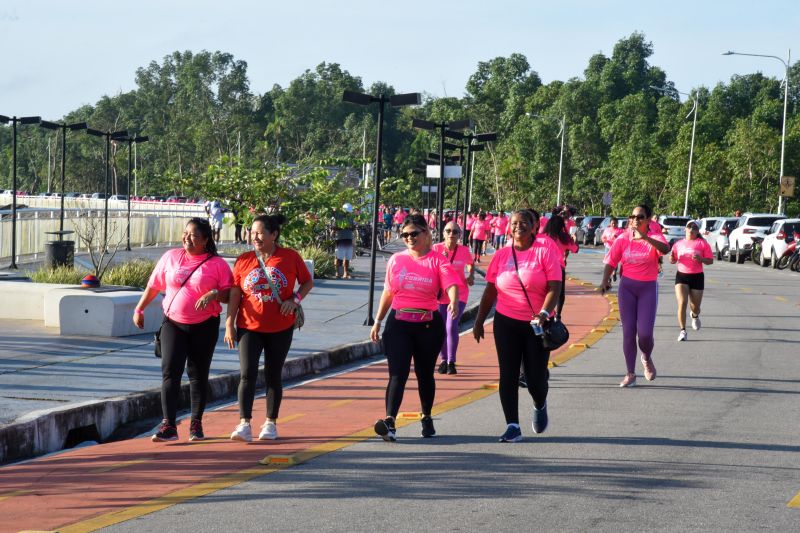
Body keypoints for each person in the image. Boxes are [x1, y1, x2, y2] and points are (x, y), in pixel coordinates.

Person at [133, 218, 233, 442]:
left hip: (204, 325)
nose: (187, 238)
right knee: (170, 371)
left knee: (198, 374)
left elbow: (229, 295)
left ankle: (196, 424)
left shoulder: (217, 264)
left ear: (205, 240)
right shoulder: (171, 257)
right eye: (185, 233)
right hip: (173, 323)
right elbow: (154, 285)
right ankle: (169, 425)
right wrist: (139, 309)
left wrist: (214, 294)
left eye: (194, 235)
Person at [473, 209, 562, 442]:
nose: (518, 226)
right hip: (506, 322)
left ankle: (539, 402)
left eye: (523, 222)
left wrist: (544, 313)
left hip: (537, 325)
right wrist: (479, 320)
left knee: (535, 379)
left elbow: (555, 287)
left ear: (534, 227)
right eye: (514, 223)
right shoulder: (501, 255)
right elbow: (490, 290)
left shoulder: (544, 252)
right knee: (508, 374)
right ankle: (512, 425)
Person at [369, 214, 460, 441]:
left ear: (426, 233)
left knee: (424, 374)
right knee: (397, 374)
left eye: (414, 234)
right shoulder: (396, 260)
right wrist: (378, 321)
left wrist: (454, 301)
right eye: (405, 235)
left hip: (428, 326)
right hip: (398, 324)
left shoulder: (438, 260)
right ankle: (390, 421)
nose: (409, 238)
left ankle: (426, 416)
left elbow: (451, 284)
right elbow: (388, 292)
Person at [225, 214, 314, 442]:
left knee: (273, 375)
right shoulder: (244, 260)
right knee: (247, 374)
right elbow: (235, 293)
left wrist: (294, 300)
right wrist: (229, 323)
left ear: (274, 235)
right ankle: (244, 424)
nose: (254, 237)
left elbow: (307, 282)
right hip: (248, 326)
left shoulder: (290, 257)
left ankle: (270, 423)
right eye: (252, 232)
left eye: (260, 233)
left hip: (280, 327)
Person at [601, 204, 670, 387]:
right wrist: (604, 281)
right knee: (628, 332)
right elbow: (611, 261)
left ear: (648, 220)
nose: (636, 220)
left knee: (645, 335)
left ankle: (646, 357)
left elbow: (665, 249)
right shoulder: (623, 239)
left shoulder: (655, 236)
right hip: (627, 289)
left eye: (640, 217)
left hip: (648, 288)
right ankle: (630, 373)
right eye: (633, 216)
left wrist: (645, 237)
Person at [432, 221, 474, 375]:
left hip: (460, 293)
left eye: (455, 232)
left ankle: (451, 361)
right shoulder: (436, 249)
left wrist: (470, 275)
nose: (451, 234)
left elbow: (470, 263)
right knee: (441, 328)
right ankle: (443, 360)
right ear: (443, 233)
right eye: (448, 231)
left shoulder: (463, 250)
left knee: (451, 326)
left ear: (459, 235)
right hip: (440, 294)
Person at [669, 220, 713, 341]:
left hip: (697, 276)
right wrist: (672, 258)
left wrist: (701, 259)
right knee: (682, 302)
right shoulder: (678, 244)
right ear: (685, 229)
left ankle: (695, 315)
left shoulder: (702, 243)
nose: (691, 229)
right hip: (681, 276)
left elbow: (710, 260)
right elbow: (672, 259)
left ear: (697, 231)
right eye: (689, 227)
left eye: (694, 227)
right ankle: (683, 331)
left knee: (695, 306)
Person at [542, 209, 579, 321]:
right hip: (558, 267)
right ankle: (557, 315)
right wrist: (575, 238)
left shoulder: (543, 237)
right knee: (559, 292)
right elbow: (575, 249)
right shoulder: (564, 238)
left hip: (543, 267)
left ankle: (545, 312)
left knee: (543, 291)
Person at [333, 203, 356, 279]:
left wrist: (352, 227)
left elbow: (353, 227)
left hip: (348, 238)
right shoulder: (338, 217)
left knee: (347, 257)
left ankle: (345, 272)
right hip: (340, 238)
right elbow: (333, 227)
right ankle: (337, 272)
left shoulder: (350, 217)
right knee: (338, 256)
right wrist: (341, 227)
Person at [601, 216, 624, 281]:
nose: (613, 225)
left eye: (615, 223)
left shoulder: (620, 231)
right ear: (610, 223)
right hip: (608, 247)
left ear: (617, 223)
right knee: (608, 262)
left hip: (616, 248)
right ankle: (608, 277)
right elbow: (603, 237)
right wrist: (604, 240)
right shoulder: (607, 229)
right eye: (612, 223)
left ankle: (614, 273)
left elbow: (623, 239)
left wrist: (617, 238)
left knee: (615, 262)